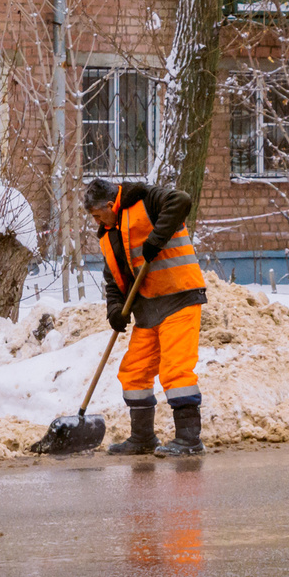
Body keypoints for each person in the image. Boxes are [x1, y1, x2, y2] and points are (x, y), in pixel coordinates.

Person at [83, 178, 208, 457]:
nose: (96, 221)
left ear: (109, 204)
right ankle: (142, 437)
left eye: (96, 214)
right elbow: (114, 279)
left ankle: (189, 439)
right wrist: (115, 309)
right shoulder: (108, 234)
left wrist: (156, 239)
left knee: (176, 370)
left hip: (179, 296)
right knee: (134, 371)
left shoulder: (144, 199)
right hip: (148, 309)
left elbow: (182, 200)